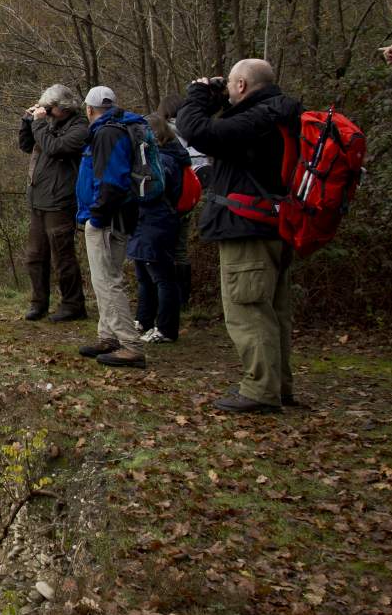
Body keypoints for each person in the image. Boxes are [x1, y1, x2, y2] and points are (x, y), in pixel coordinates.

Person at [175, 59, 304, 413]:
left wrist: (199, 96)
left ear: (243, 85)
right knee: (274, 311)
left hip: (248, 227)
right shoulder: (281, 114)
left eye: (231, 85)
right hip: (274, 225)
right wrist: (218, 98)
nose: (227, 91)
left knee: (248, 310)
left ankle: (261, 390)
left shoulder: (257, 119)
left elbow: (197, 132)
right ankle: (279, 386)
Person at [74, 86, 148, 368]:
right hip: (118, 216)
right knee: (105, 278)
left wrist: (97, 216)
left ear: (90, 110)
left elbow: (112, 182)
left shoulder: (106, 133)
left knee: (107, 281)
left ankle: (129, 343)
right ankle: (108, 336)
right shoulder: (120, 128)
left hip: (108, 219)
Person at [17, 85, 89, 322]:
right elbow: (28, 146)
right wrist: (27, 123)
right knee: (35, 256)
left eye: (49, 108)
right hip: (39, 199)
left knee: (62, 257)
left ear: (63, 108)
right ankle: (39, 303)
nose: (46, 111)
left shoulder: (79, 128)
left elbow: (56, 148)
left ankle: (73, 305)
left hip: (60, 201)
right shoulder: (49, 124)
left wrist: (38, 124)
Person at [129, 114, 189, 344]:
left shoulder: (164, 161)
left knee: (162, 277)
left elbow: (151, 191)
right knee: (144, 275)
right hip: (147, 220)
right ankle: (144, 320)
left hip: (157, 220)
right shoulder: (159, 158)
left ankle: (165, 328)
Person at [159, 94, 207, 308]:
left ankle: (169, 299)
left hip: (168, 201)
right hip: (189, 198)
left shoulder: (163, 133)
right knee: (180, 250)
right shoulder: (196, 130)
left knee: (164, 251)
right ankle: (183, 299)